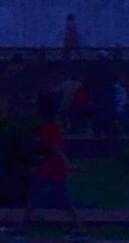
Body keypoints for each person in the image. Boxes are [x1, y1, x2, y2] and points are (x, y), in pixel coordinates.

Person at [27, 88, 86, 241]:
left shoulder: (48, 127)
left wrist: (67, 165)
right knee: (62, 200)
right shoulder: (52, 126)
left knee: (35, 196)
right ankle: (79, 228)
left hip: (51, 167)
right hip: (54, 166)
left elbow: (55, 148)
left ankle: (22, 228)